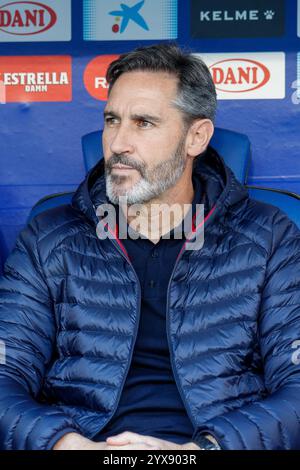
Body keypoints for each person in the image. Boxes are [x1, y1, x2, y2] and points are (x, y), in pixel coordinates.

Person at [0, 43, 300, 451]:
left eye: (143, 123)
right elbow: (5, 376)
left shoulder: (268, 237)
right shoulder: (50, 238)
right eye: (112, 120)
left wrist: (198, 452)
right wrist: (67, 445)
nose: (118, 142)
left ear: (196, 136)